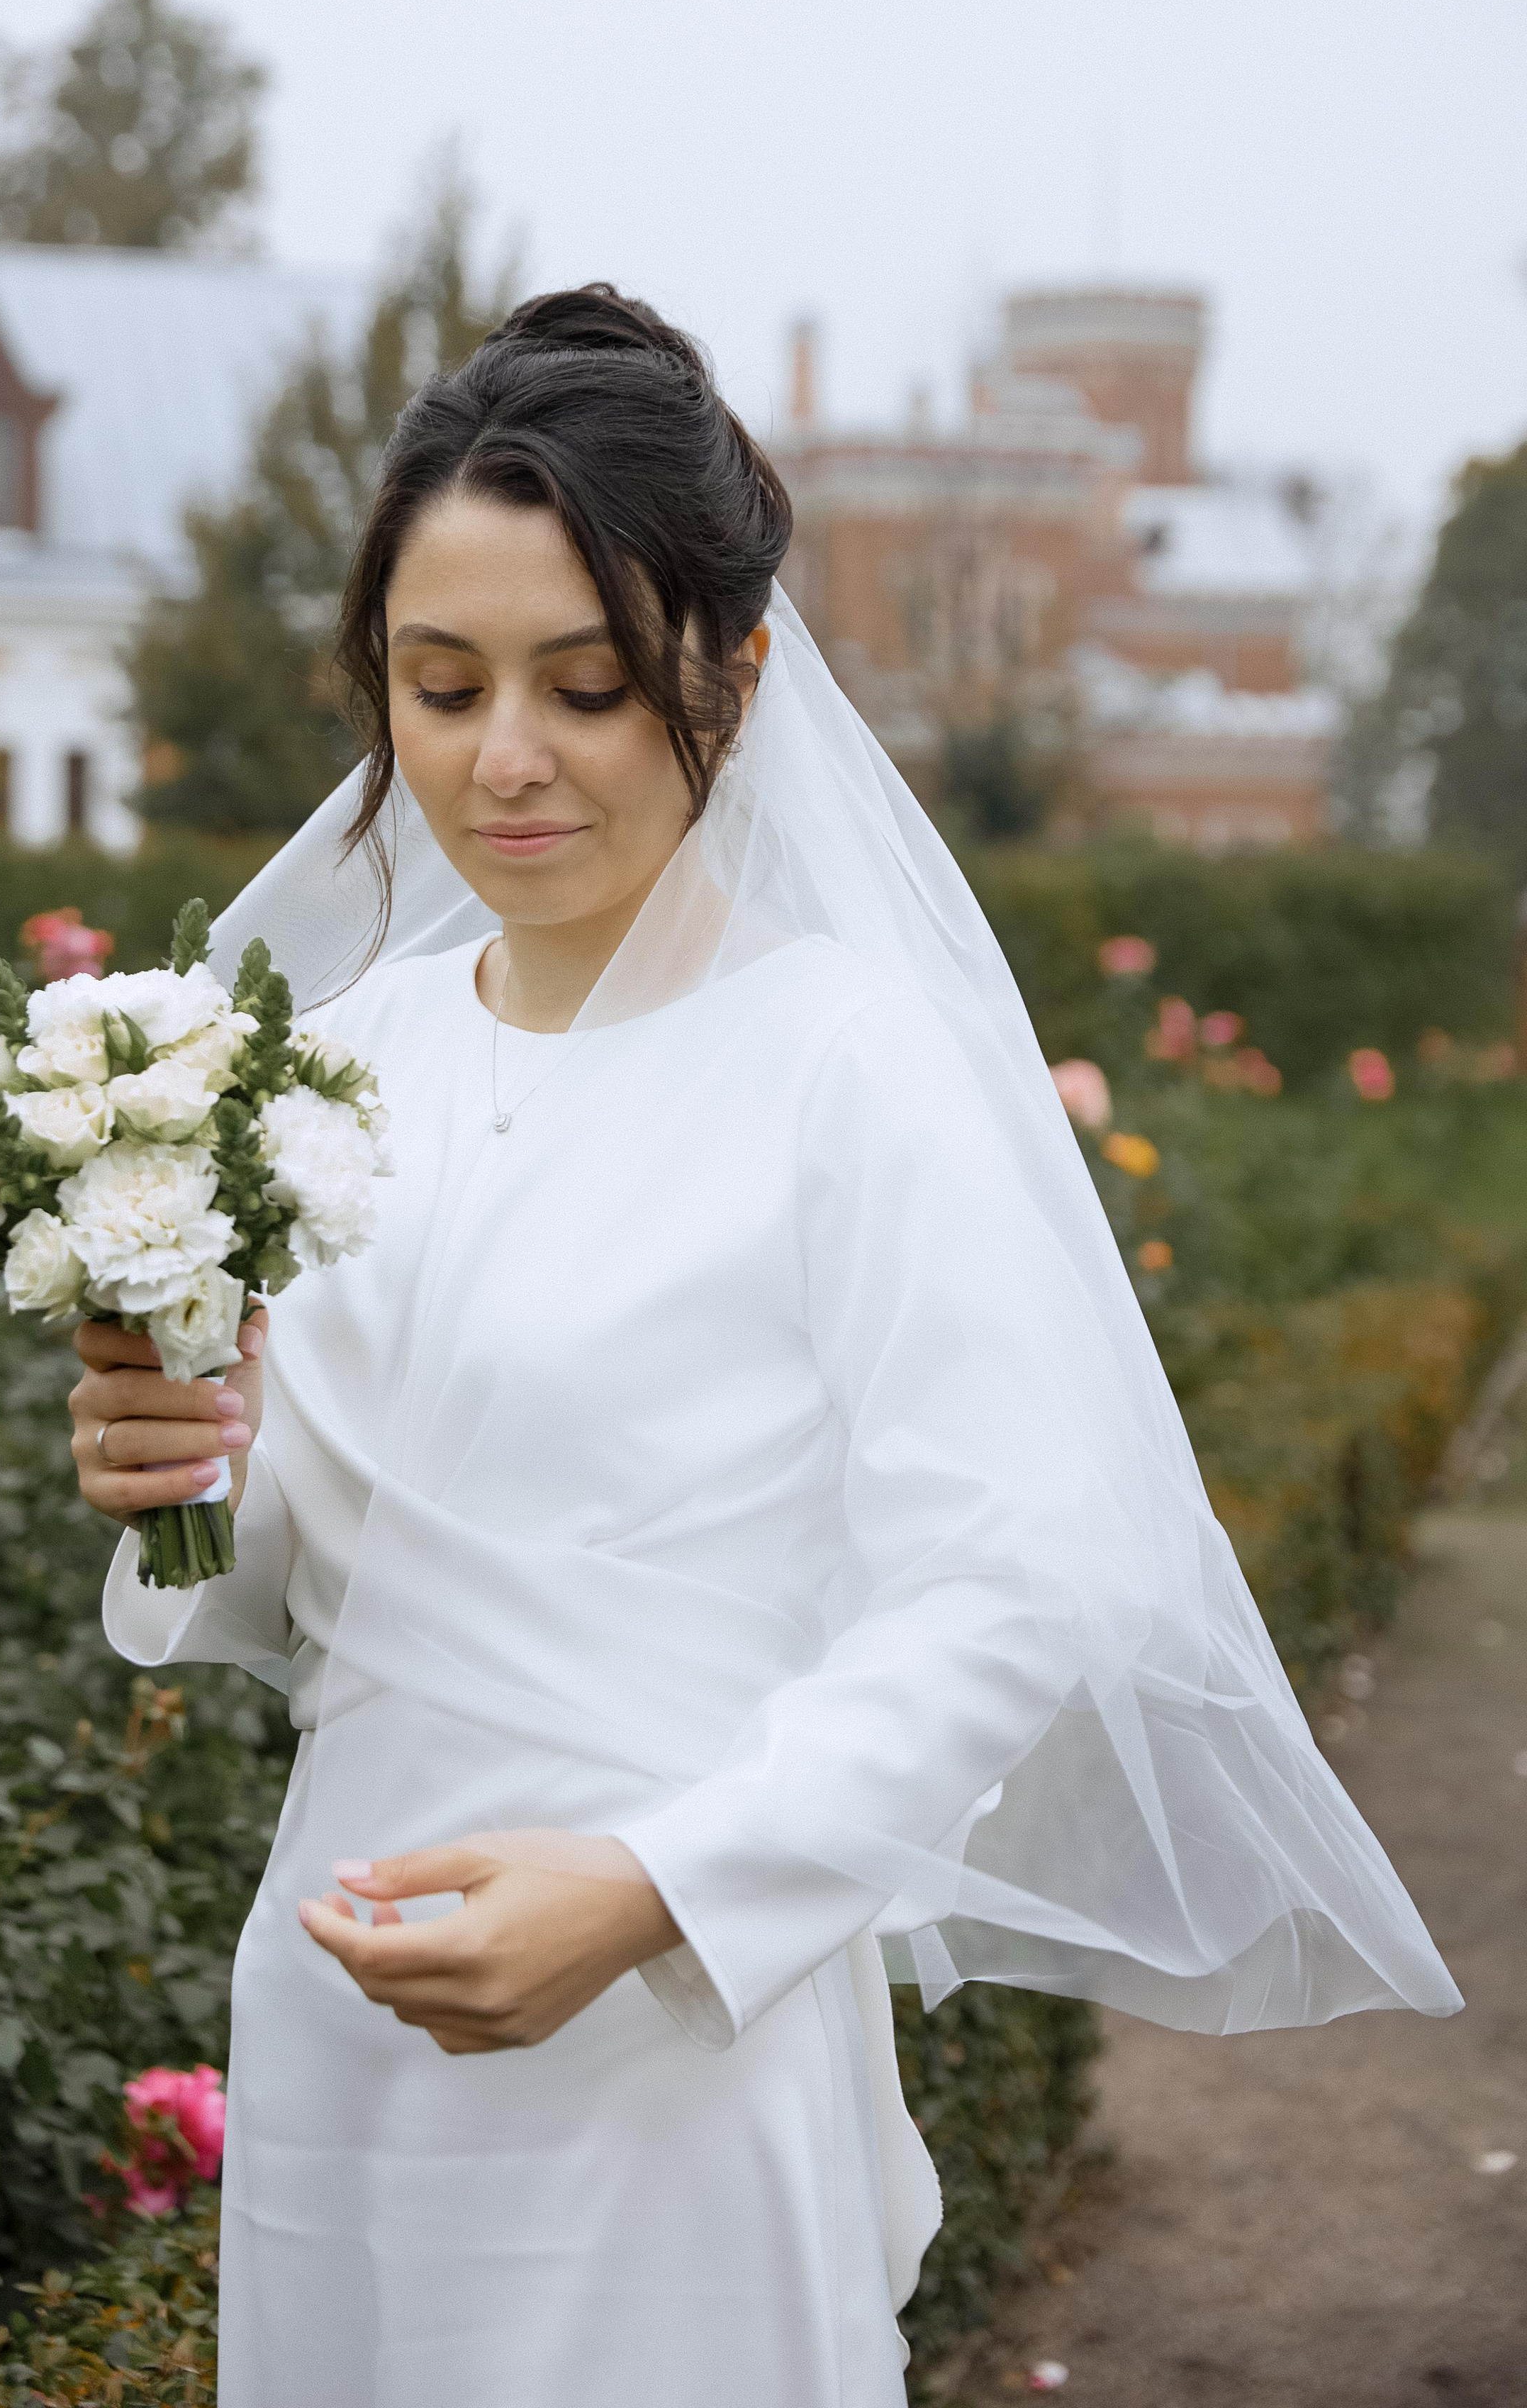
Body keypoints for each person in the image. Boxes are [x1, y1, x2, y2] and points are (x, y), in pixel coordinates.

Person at [70, 285, 1459, 2407]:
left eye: (588, 685)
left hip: (674, 2046)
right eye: (440, 687)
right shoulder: (329, 1075)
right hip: (348, 2009)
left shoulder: (851, 1067)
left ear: (735, 672)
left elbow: (1015, 1581)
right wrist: (184, 1458)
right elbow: (291, 1593)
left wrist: (650, 1889)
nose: (501, 757)